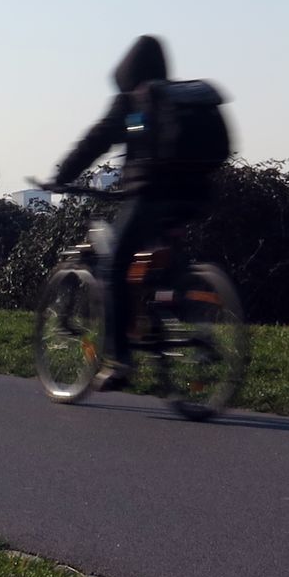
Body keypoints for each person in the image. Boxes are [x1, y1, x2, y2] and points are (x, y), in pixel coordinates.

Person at [48, 35, 228, 387]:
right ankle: (175, 321)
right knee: (157, 266)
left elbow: (97, 140)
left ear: (127, 70)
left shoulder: (134, 102)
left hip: (152, 195)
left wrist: (62, 176)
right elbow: (139, 137)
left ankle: (119, 360)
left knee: (114, 267)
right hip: (195, 194)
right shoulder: (176, 100)